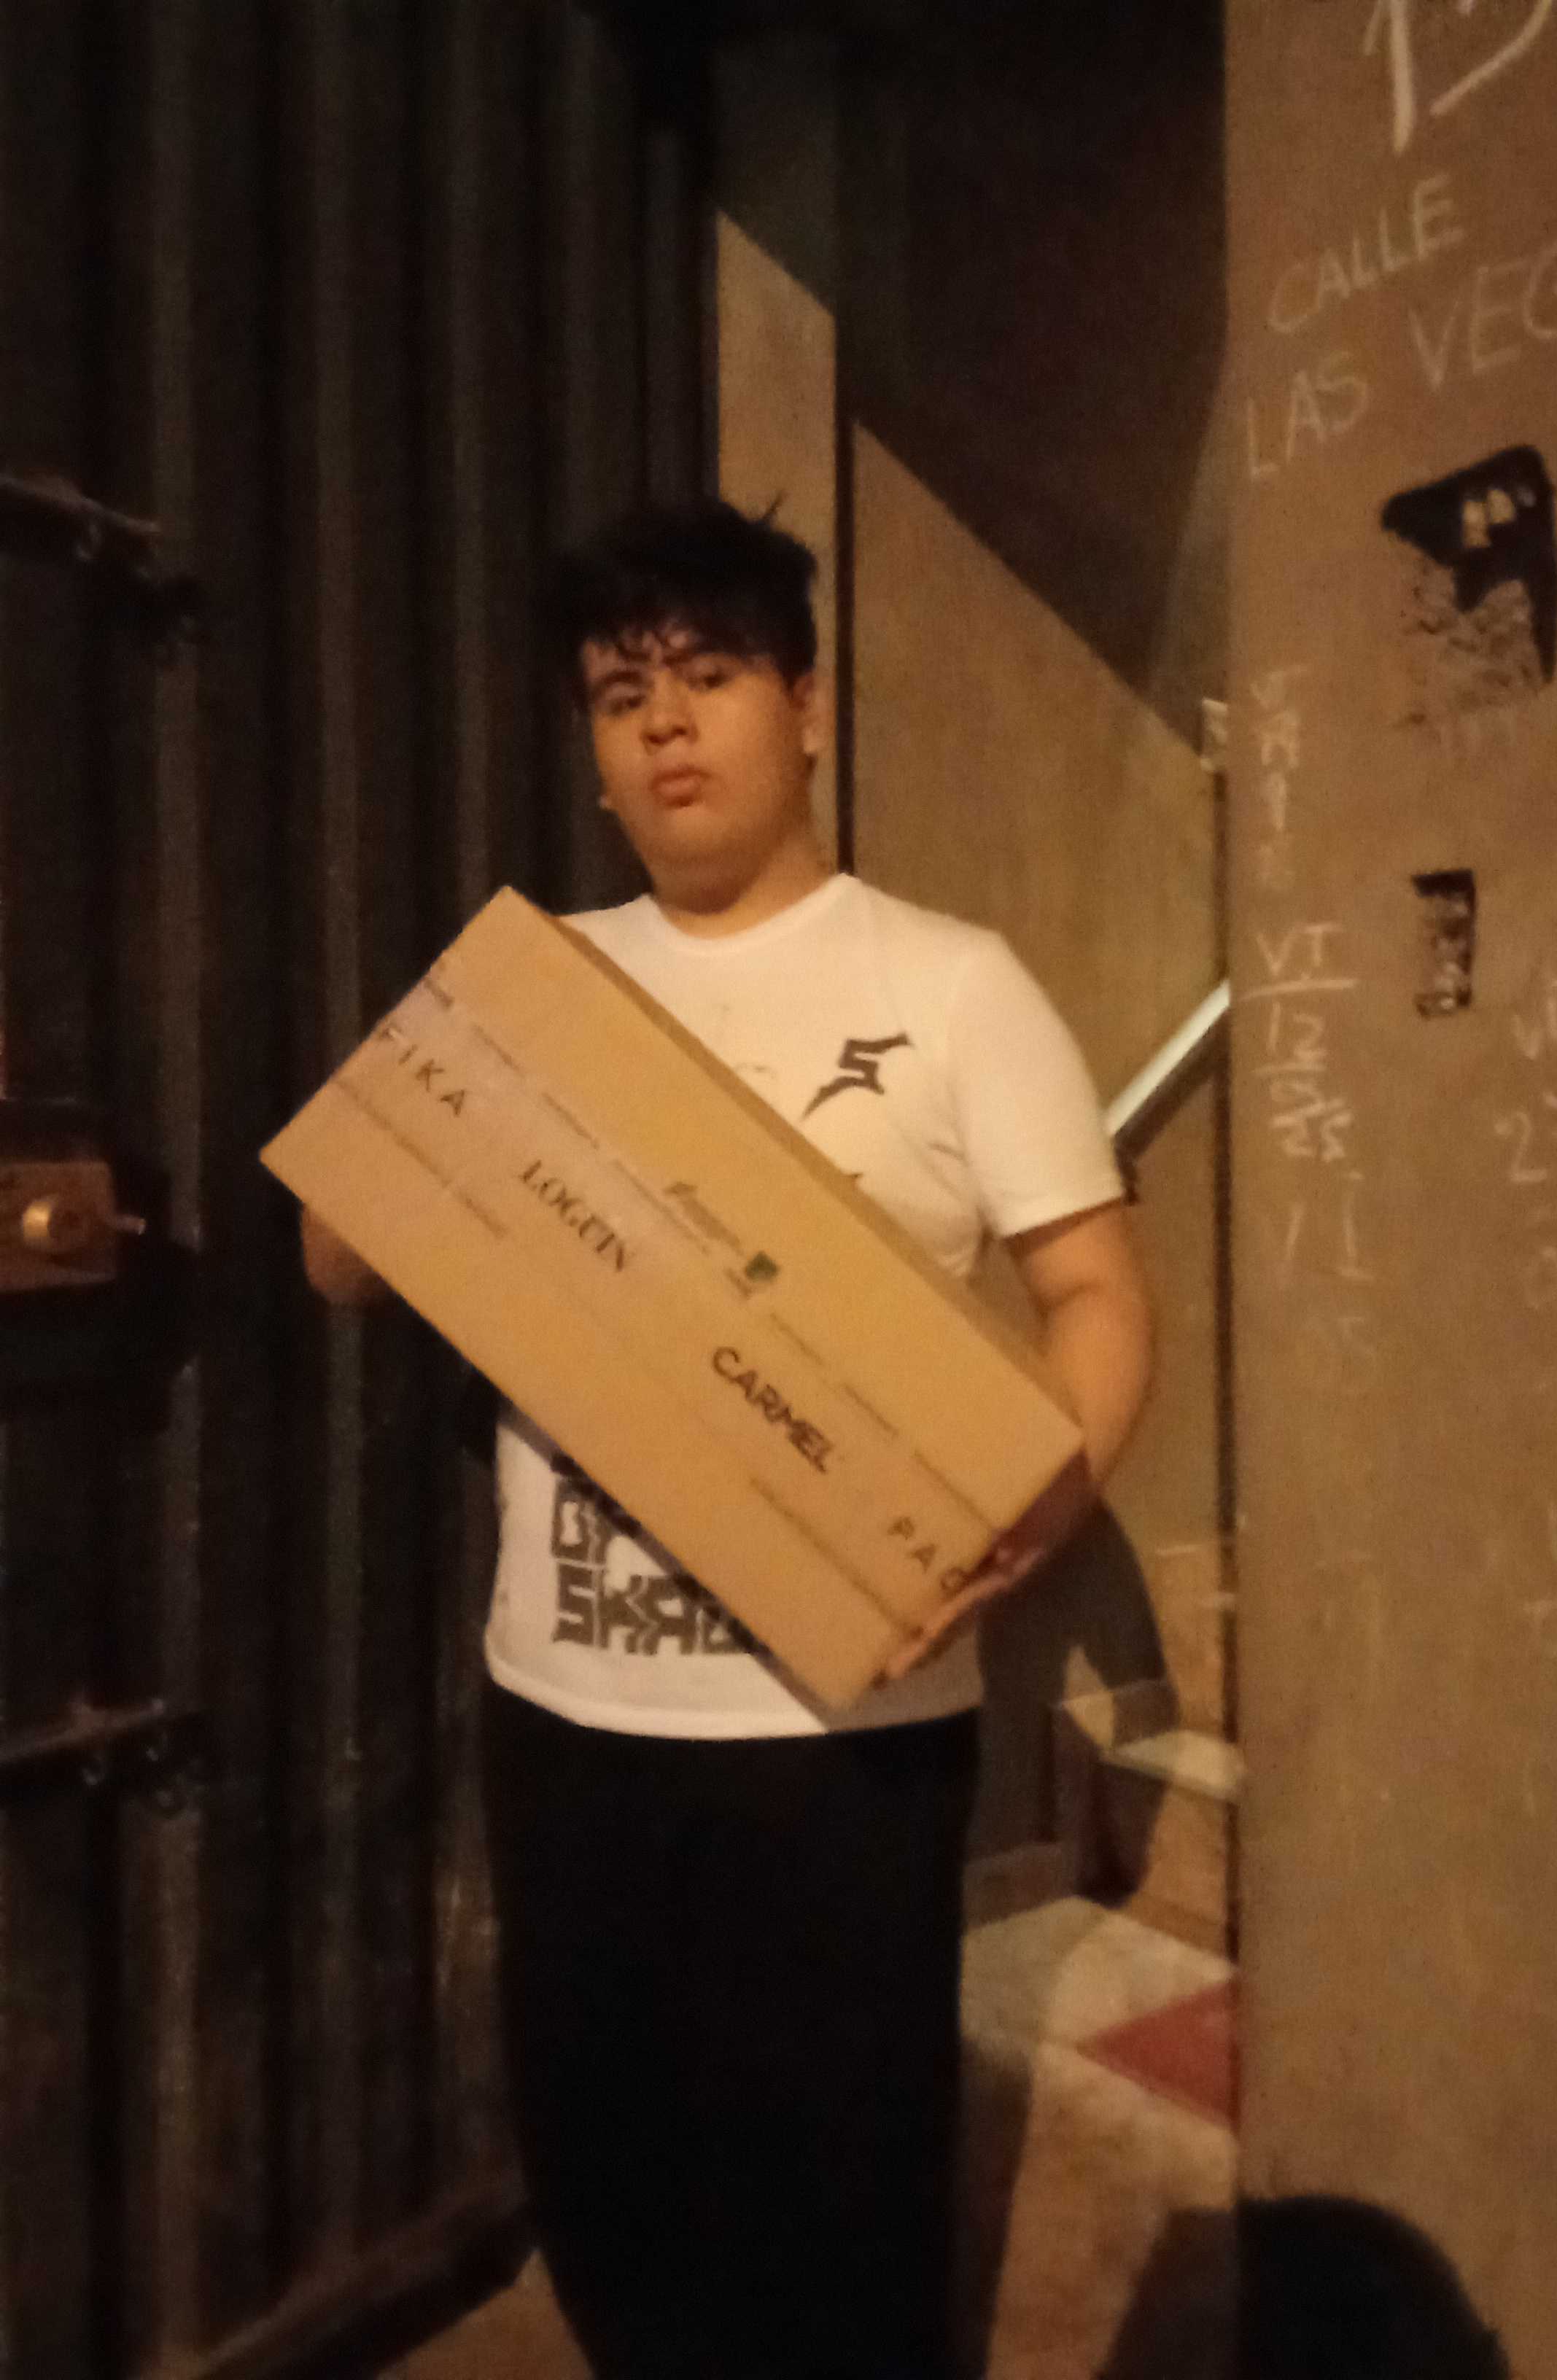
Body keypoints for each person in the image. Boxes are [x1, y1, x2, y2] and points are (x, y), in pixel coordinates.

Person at [301, 499, 1153, 2380]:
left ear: (810, 707)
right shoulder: (538, 981)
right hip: (568, 1719)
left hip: (847, 1738)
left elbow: (1096, 1291)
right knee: (613, 2197)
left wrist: (1048, 1486)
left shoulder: (950, 985)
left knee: (840, 2215)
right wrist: (417, 1136)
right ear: (595, 754)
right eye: (623, 697)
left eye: (707, 675)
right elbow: (339, 1260)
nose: (666, 723)